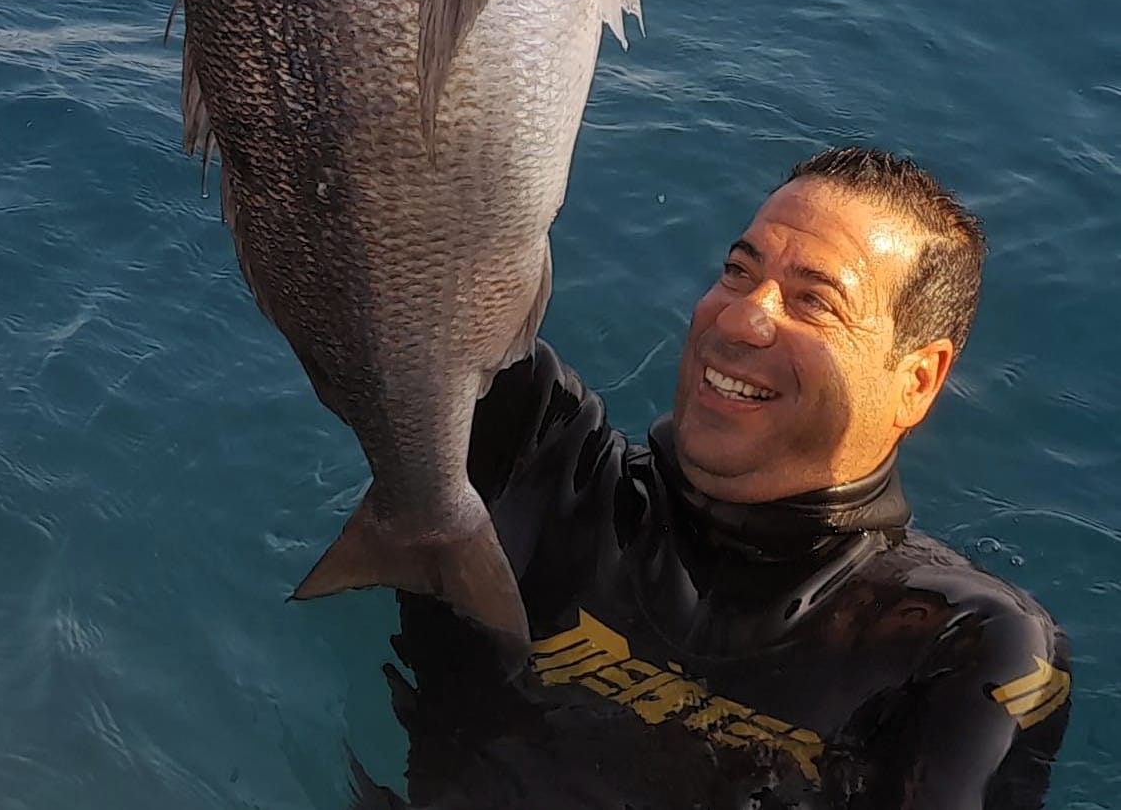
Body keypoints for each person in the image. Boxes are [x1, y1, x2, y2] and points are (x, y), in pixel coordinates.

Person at [349, 146, 1071, 809]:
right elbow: (379, 206)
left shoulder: (960, 643)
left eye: (813, 300)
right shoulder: (542, 465)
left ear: (918, 380)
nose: (743, 317)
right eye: (738, 270)